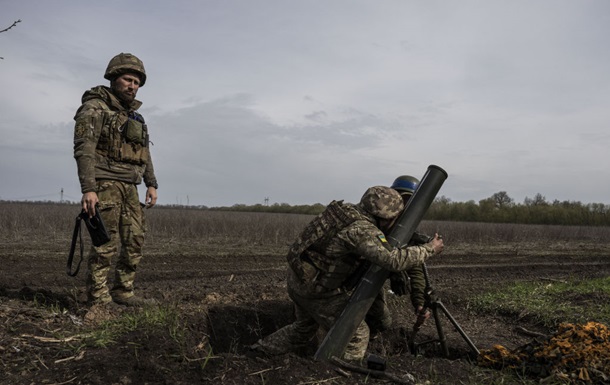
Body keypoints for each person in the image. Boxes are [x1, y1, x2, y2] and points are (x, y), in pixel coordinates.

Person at [251, 186, 444, 362]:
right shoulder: (361, 230)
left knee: (303, 328)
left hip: (299, 281)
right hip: (316, 292)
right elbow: (392, 260)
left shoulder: (346, 213)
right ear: (384, 217)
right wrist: (429, 249)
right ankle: (340, 371)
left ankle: (258, 351)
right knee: (357, 333)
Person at [73, 52, 159, 307]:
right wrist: (88, 188)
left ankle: (124, 291)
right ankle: (98, 297)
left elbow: (144, 152)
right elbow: (84, 148)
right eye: (128, 80)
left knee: (135, 239)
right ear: (113, 78)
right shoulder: (94, 108)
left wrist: (151, 183)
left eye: (136, 82)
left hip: (130, 185)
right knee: (105, 243)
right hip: (105, 183)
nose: (132, 86)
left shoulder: (135, 117)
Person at [365, 175, 432, 335]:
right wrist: (395, 271)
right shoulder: (374, 220)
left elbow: (415, 268)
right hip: (354, 277)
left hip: (373, 280)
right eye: (401, 199)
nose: (404, 205)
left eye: (410, 201)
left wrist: (419, 304)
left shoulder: (406, 230)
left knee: (381, 322)